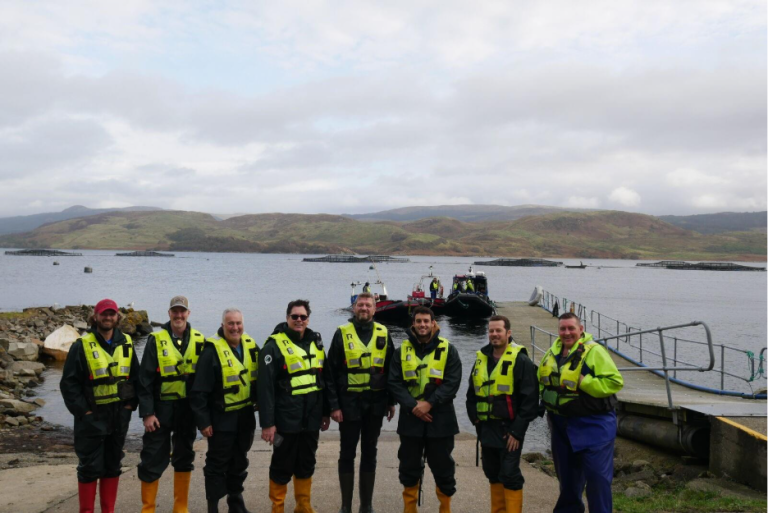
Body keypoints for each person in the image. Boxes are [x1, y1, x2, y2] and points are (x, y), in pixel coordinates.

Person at [538, 313, 624, 513]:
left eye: (571, 328)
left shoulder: (595, 351)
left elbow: (615, 382)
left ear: (581, 329)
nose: (567, 333)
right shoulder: (553, 352)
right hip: (561, 425)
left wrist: (584, 381)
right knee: (567, 481)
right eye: (562, 329)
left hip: (594, 426)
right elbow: (542, 380)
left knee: (597, 480)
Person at [60, 298, 139, 513]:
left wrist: (129, 408)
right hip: (90, 419)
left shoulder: (127, 343)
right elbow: (69, 384)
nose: (108, 317)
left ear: (117, 317)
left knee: (112, 467)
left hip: (118, 417)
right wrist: (84, 413)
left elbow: (136, 379)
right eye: (103, 313)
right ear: (95, 317)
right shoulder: (82, 345)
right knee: (89, 468)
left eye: (112, 313)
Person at [325, 292, 396, 513]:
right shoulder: (341, 334)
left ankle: (366, 505)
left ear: (375, 309)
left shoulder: (384, 333)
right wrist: (334, 406)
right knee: (346, 453)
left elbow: (392, 371)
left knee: (370, 452)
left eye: (368, 305)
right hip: (348, 405)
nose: (364, 308)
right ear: (354, 308)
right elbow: (330, 373)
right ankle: (346, 505)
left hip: (375, 405)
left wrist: (391, 402)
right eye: (360, 305)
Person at [259, 299, 331, 513]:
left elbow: (323, 380)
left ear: (308, 319)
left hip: (311, 419)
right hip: (285, 420)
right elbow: (265, 389)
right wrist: (267, 424)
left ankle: (303, 506)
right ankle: (278, 507)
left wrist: (325, 412)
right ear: (287, 318)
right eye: (295, 316)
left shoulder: (316, 343)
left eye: (303, 317)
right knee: (282, 465)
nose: (299, 320)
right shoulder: (273, 346)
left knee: (307, 462)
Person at [388, 306, 462, 513]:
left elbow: (452, 382)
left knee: (444, 468)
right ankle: (409, 509)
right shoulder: (401, 351)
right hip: (410, 420)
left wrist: (429, 403)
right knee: (408, 467)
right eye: (418, 321)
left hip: (441, 420)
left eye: (426, 321)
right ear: (413, 324)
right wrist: (414, 406)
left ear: (433, 323)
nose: (422, 325)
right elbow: (394, 383)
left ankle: (445, 509)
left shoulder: (449, 349)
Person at [137, 296, 205, 513]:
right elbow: (144, 380)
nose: (178, 315)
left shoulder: (200, 340)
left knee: (184, 457)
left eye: (182, 311)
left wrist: (204, 415)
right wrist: (147, 413)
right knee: (152, 459)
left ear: (188, 313)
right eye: (175, 311)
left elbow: (207, 381)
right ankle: (148, 509)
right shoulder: (155, 341)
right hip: (160, 410)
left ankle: (180, 508)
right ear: (169, 313)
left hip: (187, 411)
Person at [466, 316, 539, 513]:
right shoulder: (481, 359)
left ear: (508, 333)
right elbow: (471, 395)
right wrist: (475, 420)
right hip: (486, 427)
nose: (494, 334)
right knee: (492, 472)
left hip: (510, 430)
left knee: (509, 473)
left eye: (498, 331)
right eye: (491, 331)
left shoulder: (520, 360)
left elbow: (530, 400)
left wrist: (517, 431)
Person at [190, 308, 259, 513]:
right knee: (216, 465)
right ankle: (213, 506)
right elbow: (199, 391)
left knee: (240, 461)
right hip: (221, 418)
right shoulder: (211, 350)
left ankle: (235, 502)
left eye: (238, 323)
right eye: (230, 323)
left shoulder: (251, 345)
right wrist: (203, 421)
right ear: (223, 325)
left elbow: (262, 378)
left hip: (245, 417)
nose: (235, 327)